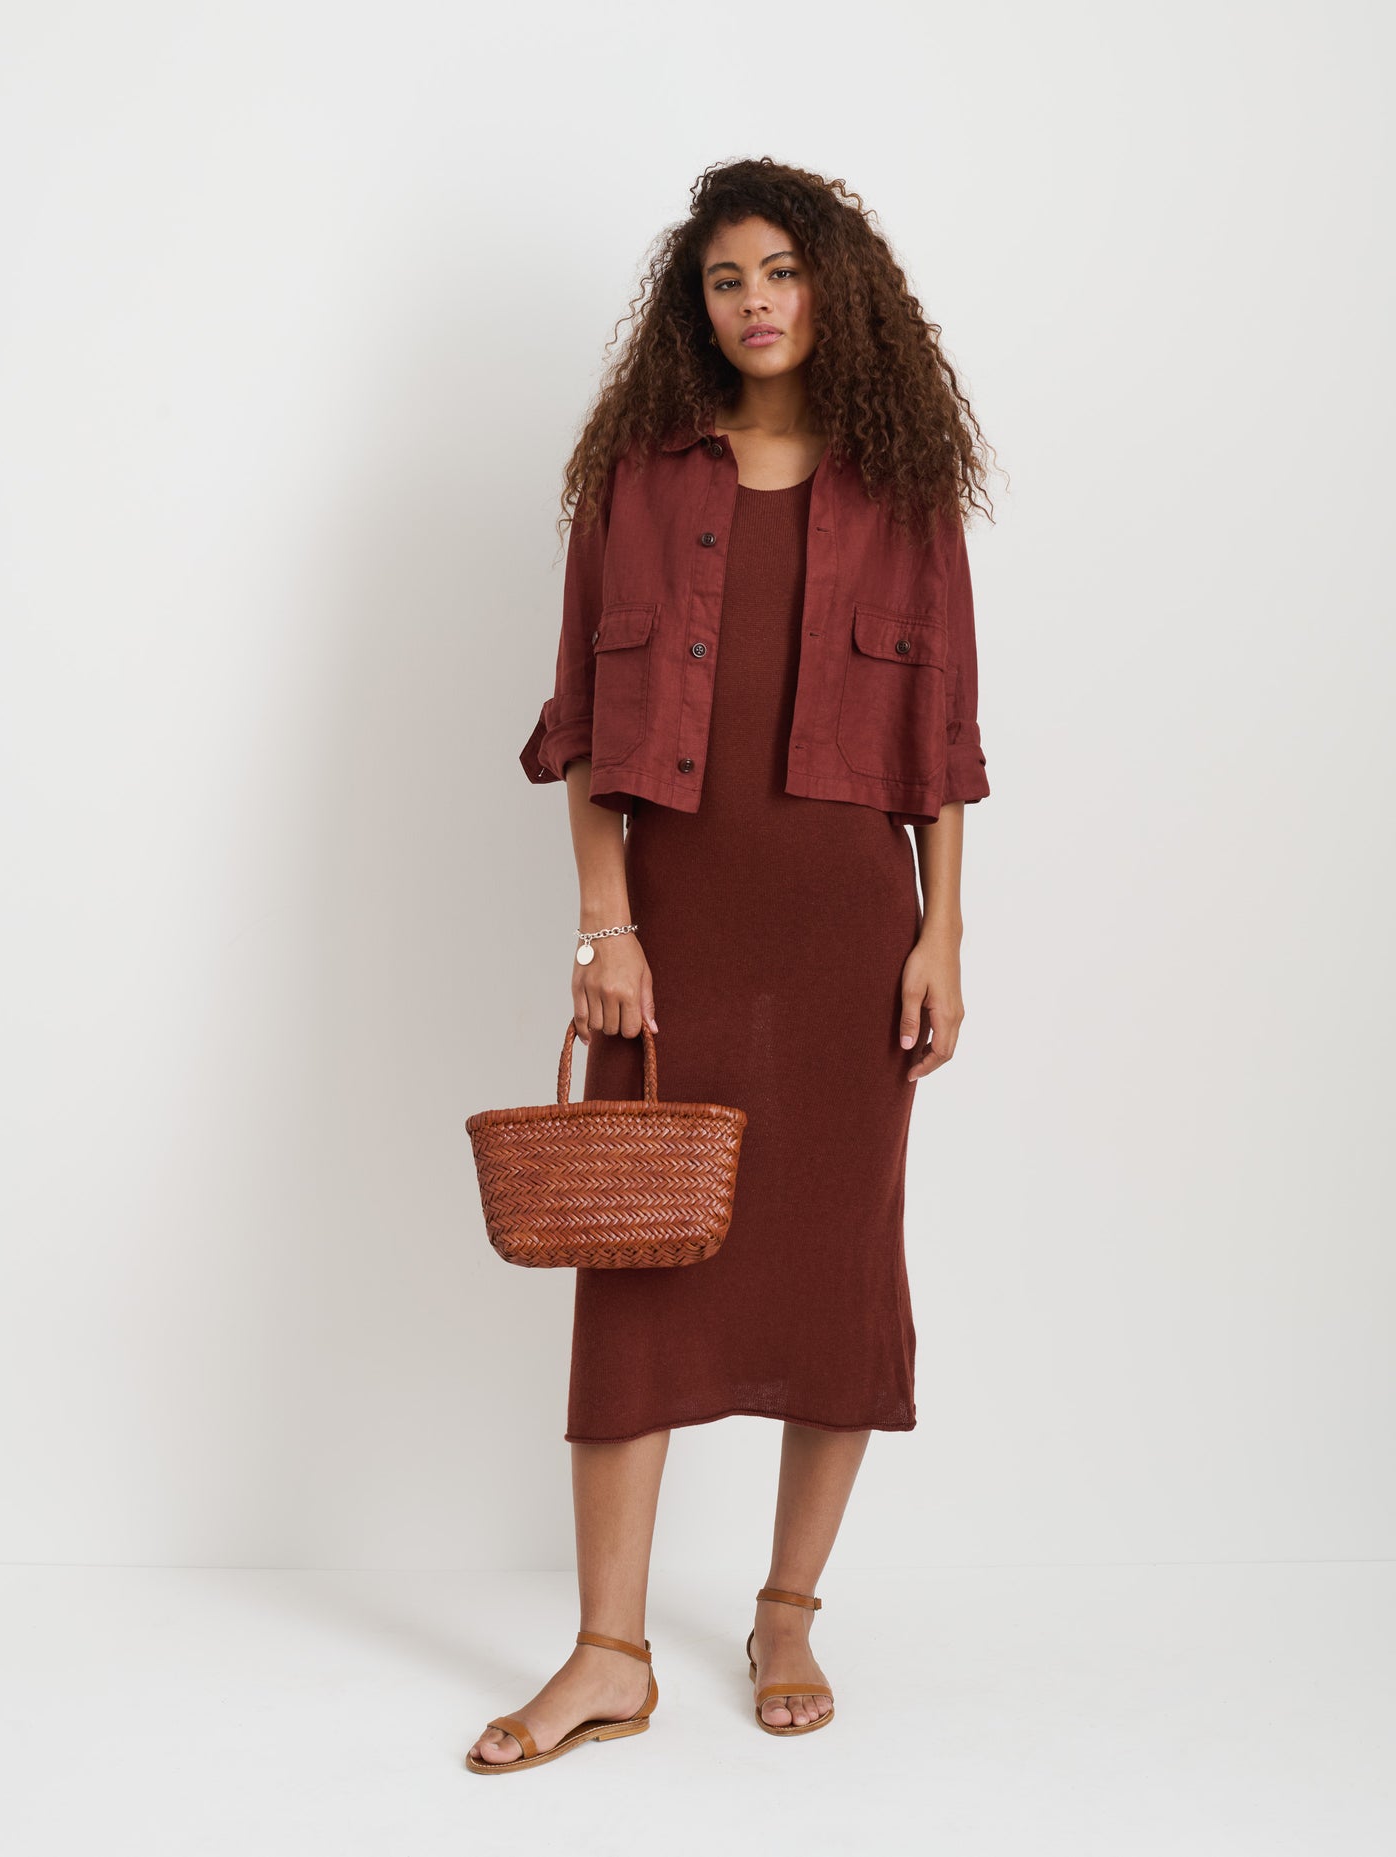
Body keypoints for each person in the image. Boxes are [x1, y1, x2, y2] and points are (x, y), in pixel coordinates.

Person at [468, 155, 995, 1774]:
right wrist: (606, 917)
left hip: (849, 932)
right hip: (678, 927)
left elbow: (944, 743)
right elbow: (580, 720)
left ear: (832, 288)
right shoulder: (636, 480)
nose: (755, 302)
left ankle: (786, 1609)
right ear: (692, 307)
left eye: (780, 271)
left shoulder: (903, 491)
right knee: (636, 1276)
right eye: (724, 279)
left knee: (839, 1273)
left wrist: (942, 931)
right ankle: (608, 1651)